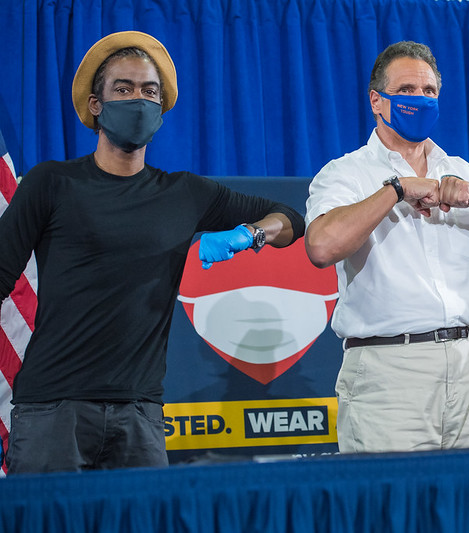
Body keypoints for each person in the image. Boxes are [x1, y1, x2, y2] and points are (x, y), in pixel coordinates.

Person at [0, 31, 304, 473]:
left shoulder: (184, 193)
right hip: (52, 409)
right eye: (122, 89)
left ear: (160, 111)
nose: (137, 99)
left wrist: (249, 236)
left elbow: (290, 219)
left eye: (149, 91)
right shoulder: (52, 183)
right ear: (95, 105)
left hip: (140, 414)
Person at [304, 41, 469, 453]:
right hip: (388, 371)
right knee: (392, 511)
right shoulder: (345, 174)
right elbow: (322, 247)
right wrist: (396, 190)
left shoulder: (466, 175)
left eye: (429, 91)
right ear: (377, 101)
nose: (420, 99)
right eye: (407, 90)